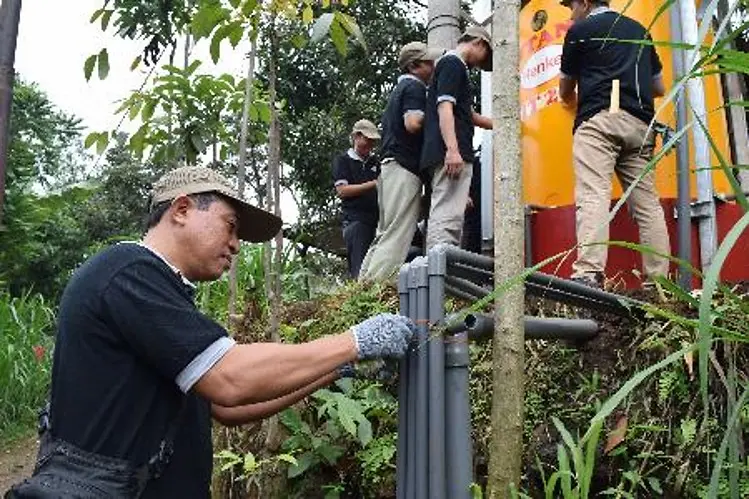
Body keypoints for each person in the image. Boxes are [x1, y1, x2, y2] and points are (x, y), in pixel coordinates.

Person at [7, 166, 414, 499]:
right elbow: (230, 379)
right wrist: (354, 341)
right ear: (181, 209)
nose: (236, 245)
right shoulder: (130, 271)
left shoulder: (162, 293)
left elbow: (226, 409)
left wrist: (337, 370)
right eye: (230, 226)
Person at [559, 0, 671, 288]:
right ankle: (658, 282)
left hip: (599, 121)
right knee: (647, 205)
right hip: (640, 125)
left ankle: (589, 274)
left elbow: (565, 89)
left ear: (584, 3)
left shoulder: (580, 30)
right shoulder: (639, 30)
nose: (570, 12)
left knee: (593, 194)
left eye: (571, 5)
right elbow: (659, 87)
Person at [358, 42, 442, 281]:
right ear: (414, 66)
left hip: (390, 168)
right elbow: (413, 123)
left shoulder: (400, 90)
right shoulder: (414, 88)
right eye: (429, 62)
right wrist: (440, 112)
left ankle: (363, 286)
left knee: (385, 231)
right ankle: (378, 289)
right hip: (403, 169)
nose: (433, 66)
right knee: (398, 232)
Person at [420, 26, 493, 251]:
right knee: (447, 217)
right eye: (485, 57)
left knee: (450, 214)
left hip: (446, 152)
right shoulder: (453, 63)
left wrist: (504, 125)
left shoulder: (451, 66)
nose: (481, 64)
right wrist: (452, 150)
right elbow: (445, 107)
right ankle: (440, 274)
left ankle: (441, 272)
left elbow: (466, 114)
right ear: (479, 43)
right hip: (450, 152)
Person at [332, 119, 381, 278]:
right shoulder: (343, 161)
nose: (370, 145)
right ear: (356, 137)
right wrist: (373, 184)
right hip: (356, 222)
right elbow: (342, 191)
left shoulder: (376, 162)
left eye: (373, 141)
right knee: (359, 270)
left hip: (378, 221)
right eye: (367, 140)